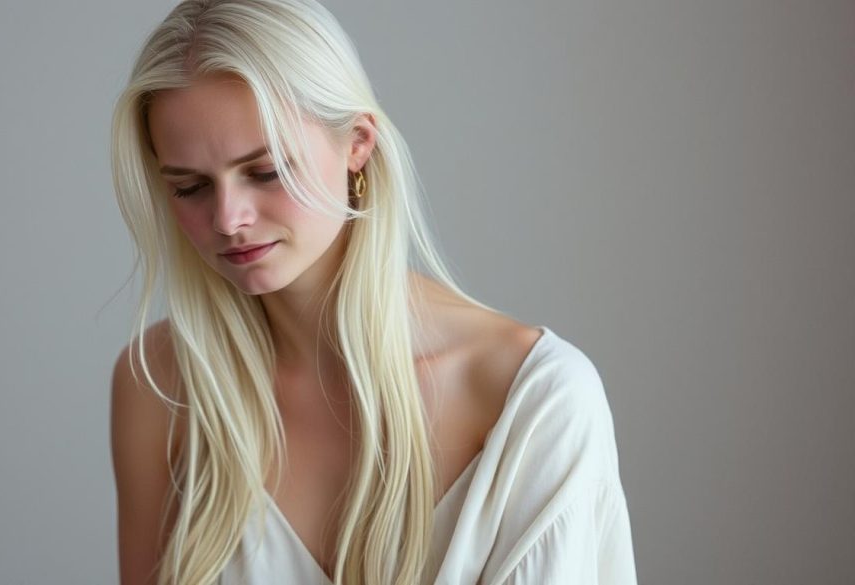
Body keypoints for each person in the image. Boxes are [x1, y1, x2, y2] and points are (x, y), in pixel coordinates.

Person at [108, 1, 638, 584]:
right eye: (189, 187)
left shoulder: (536, 402)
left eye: (266, 172)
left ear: (357, 144)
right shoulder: (162, 384)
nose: (228, 217)